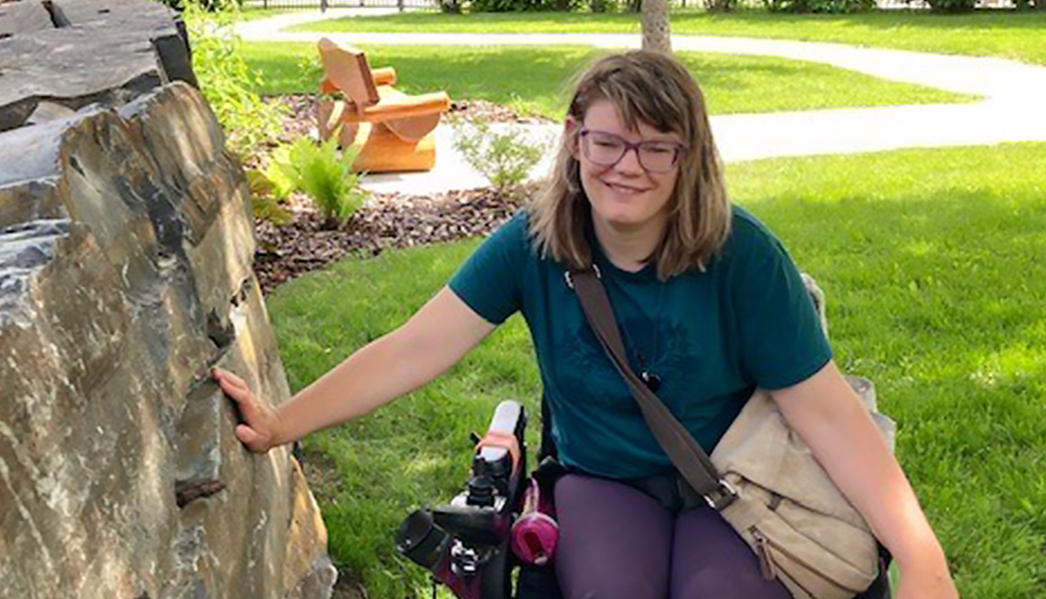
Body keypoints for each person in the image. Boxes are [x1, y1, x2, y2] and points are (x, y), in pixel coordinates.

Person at [214, 51, 959, 599]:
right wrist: (280, 423)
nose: (626, 165)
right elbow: (415, 348)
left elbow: (826, 411)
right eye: (608, 141)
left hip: (734, 478)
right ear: (576, 140)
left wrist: (921, 558)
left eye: (654, 146)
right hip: (604, 477)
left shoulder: (741, 256)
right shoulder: (532, 244)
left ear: (687, 156)